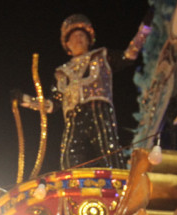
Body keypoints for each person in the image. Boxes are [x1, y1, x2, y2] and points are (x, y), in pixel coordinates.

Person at [21, 14, 150, 170]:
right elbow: (51, 105)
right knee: (69, 156)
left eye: (82, 35)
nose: (78, 39)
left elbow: (129, 55)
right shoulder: (61, 73)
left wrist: (143, 30)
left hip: (99, 111)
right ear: (67, 44)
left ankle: (120, 187)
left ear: (89, 39)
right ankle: (72, 189)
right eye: (74, 37)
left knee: (108, 151)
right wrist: (25, 100)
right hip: (73, 117)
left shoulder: (101, 56)